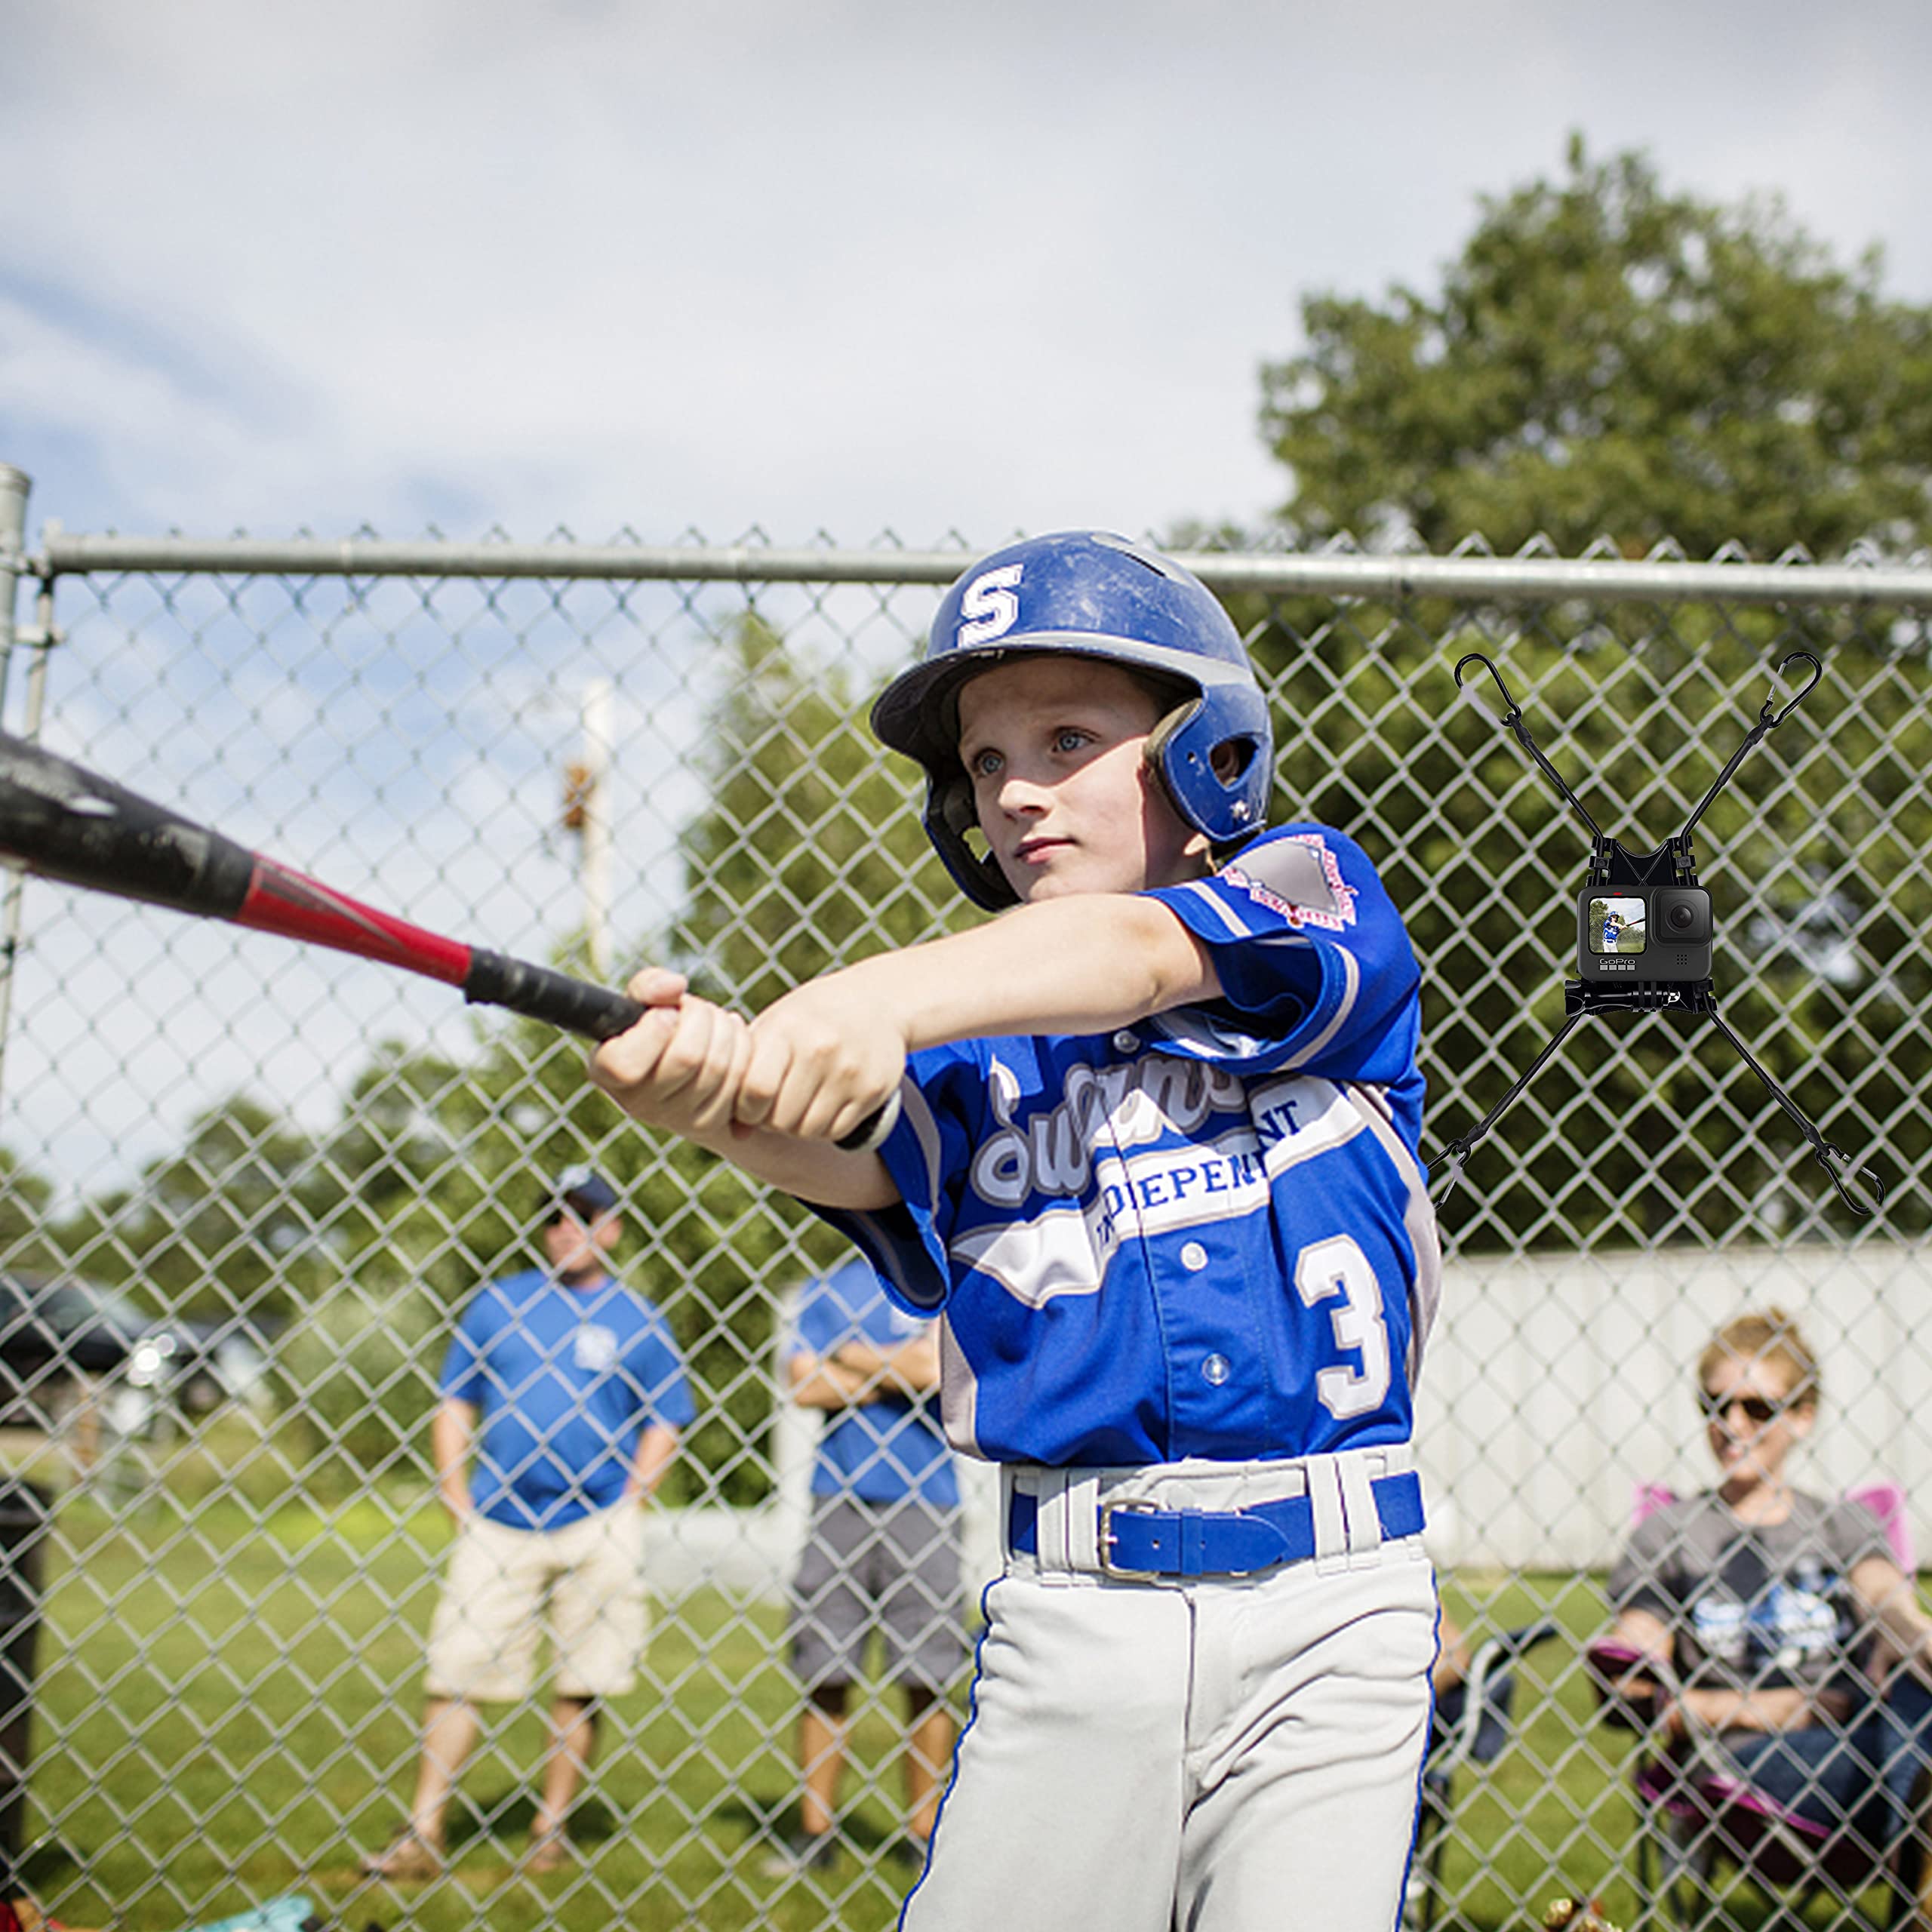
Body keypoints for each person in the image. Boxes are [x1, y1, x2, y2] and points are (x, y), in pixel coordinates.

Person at [587, 530, 1443, 1931]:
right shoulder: (972, 1054)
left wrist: (871, 997)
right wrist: (701, 1091)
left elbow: (1131, 958)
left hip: (1331, 1616)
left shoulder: (1308, 894)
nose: (1019, 793)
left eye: (1068, 736)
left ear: (1204, 753)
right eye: (987, 763)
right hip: (1072, 1614)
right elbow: (841, 1154)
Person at [361, 1166, 695, 1880]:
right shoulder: (498, 1305)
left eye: (584, 1216)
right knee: (457, 1670)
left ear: (612, 1228)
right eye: (555, 1218)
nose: (567, 1230)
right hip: (501, 1521)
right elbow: (456, 1401)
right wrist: (455, 1491)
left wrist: (635, 1492)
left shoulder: (637, 1316)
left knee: (582, 1678)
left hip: (596, 1520)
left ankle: (551, 1827)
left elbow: (668, 1413)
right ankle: (425, 1829)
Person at [1603, 1308, 1932, 1921]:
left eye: (1757, 1408)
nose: (1732, 1425)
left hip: (1870, 1749)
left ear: (1803, 1416)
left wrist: (1912, 1631)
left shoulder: (1841, 1524)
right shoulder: (1672, 1535)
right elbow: (1634, 1670)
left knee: (1918, 1686)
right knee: (1914, 1764)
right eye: (1716, 1405)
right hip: (1742, 1768)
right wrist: (1776, 1709)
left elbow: (1883, 1593)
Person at [762, 1251, 968, 1876]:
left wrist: (852, 1355)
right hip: (839, 1495)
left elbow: (938, 1370)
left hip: (926, 1496)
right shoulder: (829, 1286)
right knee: (825, 1666)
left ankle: (923, 1831)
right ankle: (816, 1832)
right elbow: (803, 1384)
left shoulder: (938, 1280)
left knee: (926, 1674)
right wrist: (894, 1368)